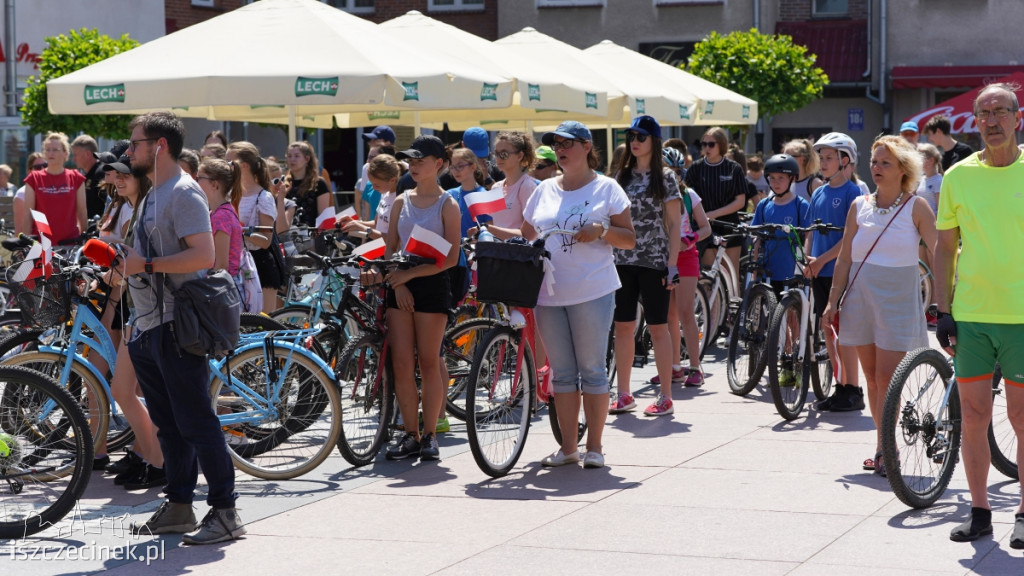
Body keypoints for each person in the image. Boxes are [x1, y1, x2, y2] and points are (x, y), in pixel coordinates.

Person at [120, 111, 244, 544]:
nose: (128, 149)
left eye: (135, 142)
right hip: (151, 326)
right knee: (169, 424)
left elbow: (204, 256)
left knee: (196, 422)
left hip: (177, 326)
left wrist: (145, 265)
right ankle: (178, 505)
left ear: (159, 146)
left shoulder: (183, 192)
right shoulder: (154, 192)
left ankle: (226, 511)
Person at [934, 83, 1024, 547]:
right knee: (972, 415)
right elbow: (944, 246)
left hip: (1022, 319)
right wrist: (942, 309)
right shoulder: (958, 177)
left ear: (1016, 117)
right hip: (971, 318)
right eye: (983, 113)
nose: (991, 121)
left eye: (1000, 112)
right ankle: (980, 510)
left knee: (1022, 417)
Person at [520, 120, 634, 469]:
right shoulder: (543, 190)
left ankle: (595, 447)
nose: (561, 150)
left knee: (593, 370)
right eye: (556, 144)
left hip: (593, 289)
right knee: (563, 374)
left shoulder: (607, 188)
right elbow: (526, 233)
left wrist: (601, 231)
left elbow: (629, 238)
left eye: (568, 143)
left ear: (587, 147)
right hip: (549, 293)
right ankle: (569, 447)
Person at [822, 135, 936, 476]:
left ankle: (889, 450)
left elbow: (939, 253)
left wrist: (947, 299)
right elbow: (844, 259)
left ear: (904, 169)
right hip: (861, 297)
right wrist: (832, 301)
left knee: (887, 377)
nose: (877, 168)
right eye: (874, 161)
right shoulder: (860, 205)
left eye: (885, 162)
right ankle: (882, 444)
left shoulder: (917, 206)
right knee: (871, 379)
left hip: (897, 299)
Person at [382, 135, 461, 462]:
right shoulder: (401, 200)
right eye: (410, 161)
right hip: (399, 282)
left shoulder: (448, 204)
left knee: (429, 361)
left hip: (430, 283)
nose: (413, 166)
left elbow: (452, 258)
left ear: (438, 164)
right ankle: (410, 434)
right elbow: (389, 249)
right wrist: (397, 284)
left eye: (420, 160)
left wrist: (410, 277)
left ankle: (430, 433)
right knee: (401, 363)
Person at [607, 115, 681, 417]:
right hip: (622, 260)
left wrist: (673, 264)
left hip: (654, 261)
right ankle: (624, 394)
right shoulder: (619, 177)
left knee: (658, 327)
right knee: (622, 328)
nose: (634, 142)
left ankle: (665, 395)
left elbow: (675, 224)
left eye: (641, 137)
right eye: (631, 137)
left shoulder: (664, 176)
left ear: (654, 140)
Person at [99, 154, 165, 490]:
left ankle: (156, 461)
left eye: (126, 174)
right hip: (137, 309)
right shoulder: (135, 211)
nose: (118, 179)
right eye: (116, 174)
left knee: (130, 390)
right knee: (124, 390)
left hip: (155, 311)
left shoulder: (149, 211)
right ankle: (151, 459)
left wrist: (120, 272)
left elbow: (146, 262)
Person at [806, 132, 865, 413]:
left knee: (842, 331)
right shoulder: (818, 192)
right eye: (821, 157)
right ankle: (840, 386)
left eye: (829, 157)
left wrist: (822, 260)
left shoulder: (853, 193)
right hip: (819, 270)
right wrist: (808, 258)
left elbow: (850, 238)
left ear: (846, 160)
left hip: (839, 272)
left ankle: (852, 389)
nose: (823, 162)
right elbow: (811, 231)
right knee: (827, 330)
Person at [751, 154, 811, 388]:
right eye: (772, 178)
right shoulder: (765, 205)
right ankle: (786, 357)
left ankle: (794, 359)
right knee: (778, 319)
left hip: (792, 269)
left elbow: (808, 235)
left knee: (793, 316)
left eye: (781, 178)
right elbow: (757, 237)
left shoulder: (800, 205)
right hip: (771, 270)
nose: (775, 183)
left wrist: (805, 262)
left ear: (792, 179)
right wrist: (755, 265)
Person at [227, 142, 281, 313]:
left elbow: (266, 240)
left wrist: (240, 229)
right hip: (237, 262)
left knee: (262, 326)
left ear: (243, 166)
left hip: (260, 263)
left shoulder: (263, 197)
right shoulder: (229, 194)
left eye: (229, 162)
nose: (224, 166)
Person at [685, 127, 747, 274]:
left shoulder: (734, 168)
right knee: (709, 275)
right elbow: (686, 196)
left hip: (729, 226)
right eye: (704, 144)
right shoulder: (696, 167)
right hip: (705, 227)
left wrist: (714, 213)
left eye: (711, 144)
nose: (707, 148)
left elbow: (740, 201)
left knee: (731, 275)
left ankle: (733, 298)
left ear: (722, 145)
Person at [24, 132, 87, 244]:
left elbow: (82, 212)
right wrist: (25, 243)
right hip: (41, 243)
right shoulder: (34, 178)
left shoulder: (76, 178)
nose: (50, 153)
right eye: (47, 150)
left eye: (55, 150)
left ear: (65, 153)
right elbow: (28, 214)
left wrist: (85, 240)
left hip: (70, 242)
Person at [284, 141, 331, 229]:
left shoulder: (318, 183)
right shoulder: (283, 183)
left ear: (307, 159)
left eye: (297, 156)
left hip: (310, 237)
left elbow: (323, 217)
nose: (292, 159)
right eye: (289, 156)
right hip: (285, 237)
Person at [71, 135, 106, 218]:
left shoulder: (101, 173)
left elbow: (109, 205)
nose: (73, 159)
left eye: (76, 155)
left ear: (88, 154)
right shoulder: (88, 175)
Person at [14, 152, 46, 235]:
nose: (42, 169)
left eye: (45, 165)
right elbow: (19, 231)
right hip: (34, 243)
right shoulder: (21, 195)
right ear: (29, 171)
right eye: (37, 167)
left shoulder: (56, 189)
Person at [782, 138, 822, 203]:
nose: (783, 160)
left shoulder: (815, 184)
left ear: (801, 159)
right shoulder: (783, 182)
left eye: (787, 157)